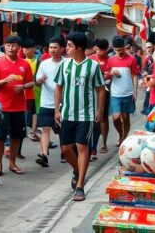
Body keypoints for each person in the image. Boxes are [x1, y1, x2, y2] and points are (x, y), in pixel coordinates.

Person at [54, 32, 105, 202]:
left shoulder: (93, 66)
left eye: (69, 45)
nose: (66, 49)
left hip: (87, 115)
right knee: (66, 149)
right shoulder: (64, 65)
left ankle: (80, 185)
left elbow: (100, 89)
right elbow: (58, 87)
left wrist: (100, 110)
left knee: (82, 147)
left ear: (79, 47)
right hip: (67, 113)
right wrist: (57, 109)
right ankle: (78, 170)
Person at [0, 35, 34, 176]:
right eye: (8, 45)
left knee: (16, 136)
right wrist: (5, 81)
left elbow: (31, 83)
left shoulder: (25, 64)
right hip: (3, 107)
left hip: (19, 107)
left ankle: (12, 163)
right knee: (0, 138)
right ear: (4, 46)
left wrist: (23, 87)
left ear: (19, 47)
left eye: (14, 45)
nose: (11, 48)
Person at [35, 37, 65, 168]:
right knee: (45, 130)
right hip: (46, 102)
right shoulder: (44, 63)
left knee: (62, 131)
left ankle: (65, 152)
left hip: (63, 104)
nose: (52, 50)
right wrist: (40, 80)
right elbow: (36, 81)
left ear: (62, 49)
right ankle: (44, 155)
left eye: (55, 47)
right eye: (50, 47)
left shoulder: (68, 63)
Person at [104, 36, 139, 145]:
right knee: (116, 118)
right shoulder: (111, 60)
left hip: (128, 93)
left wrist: (135, 91)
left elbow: (135, 76)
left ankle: (123, 139)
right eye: (116, 50)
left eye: (120, 49)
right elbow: (105, 75)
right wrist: (111, 73)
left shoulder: (131, 59)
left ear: (125, 48)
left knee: (125, 117)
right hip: (115, 94)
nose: (118, 52)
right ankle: (120, 134)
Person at [91, 39, 111, 155]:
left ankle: (104, 143)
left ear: (107, 49)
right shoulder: (91, 59)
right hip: (92, 92)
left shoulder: (111, 60)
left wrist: (110, 75)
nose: (100, 52)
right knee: (93, 118)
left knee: (103, 117)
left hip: (105, 91)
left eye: (102, 50)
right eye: (98, 49)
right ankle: (93, 145)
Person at [22, 39, 41, 143]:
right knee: (25, 111)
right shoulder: (22, 61)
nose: (25, 50)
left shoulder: (39, 60)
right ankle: (24, 129)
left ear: (34, 49)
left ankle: (33, 132)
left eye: (28, 48)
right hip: (24, 90)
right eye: (24, 48)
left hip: (37, 90)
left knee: (35, 111)